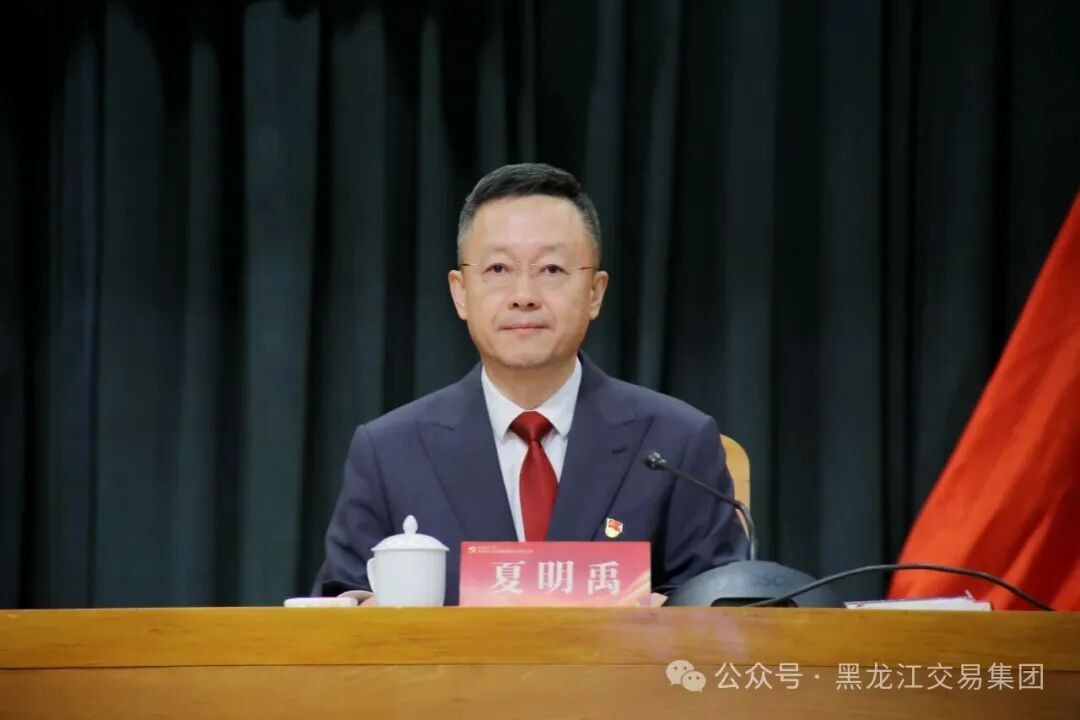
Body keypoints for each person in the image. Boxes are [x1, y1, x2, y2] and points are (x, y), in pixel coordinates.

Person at [312, 163, 747, 606]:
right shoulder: (389, 453)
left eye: (552, 269)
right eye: (498, 268)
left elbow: (728, 608)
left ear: (595, 292)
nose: (524, 295)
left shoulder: (675, 444)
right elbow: (337, 607)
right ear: (460, 292)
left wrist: (667, 619)